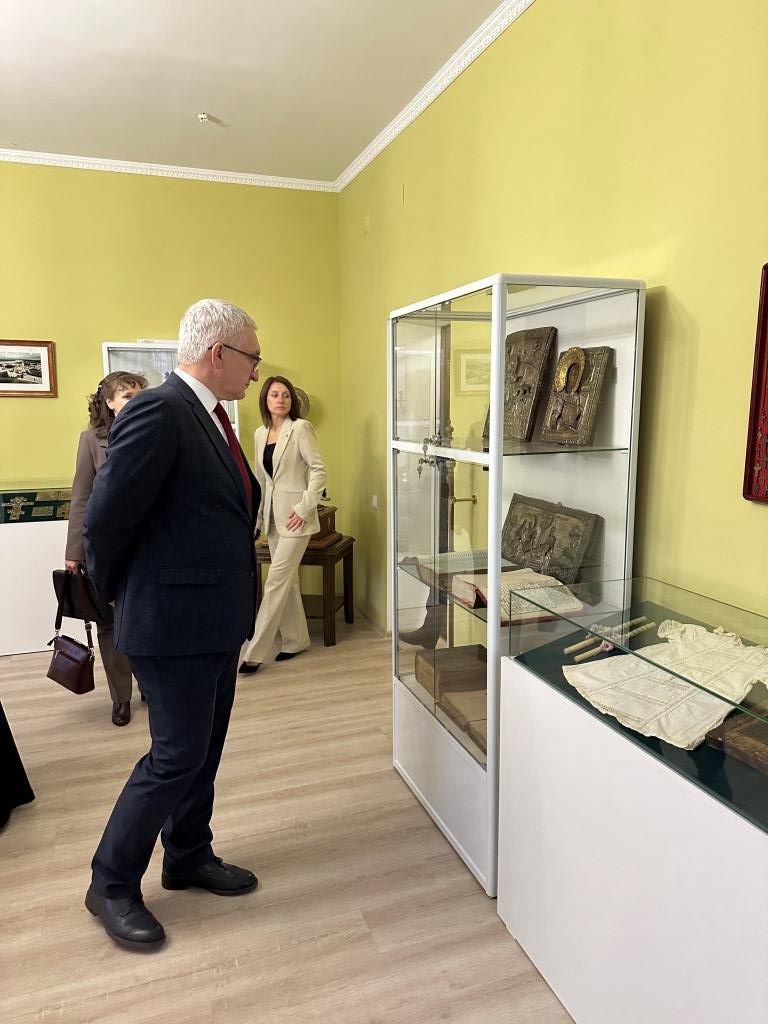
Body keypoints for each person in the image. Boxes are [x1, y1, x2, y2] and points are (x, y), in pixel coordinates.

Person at [82, 299, 262, 951]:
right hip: (171, 622)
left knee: (203, 749)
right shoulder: (160, 410)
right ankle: (109, 884)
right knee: (175, 756)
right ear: (219, 353)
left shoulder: (209, 416)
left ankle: (187, 854)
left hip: (215, 620)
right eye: (252, 357)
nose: (256, 370)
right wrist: (124, 597)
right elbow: (106, 520)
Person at [65, 371, 147, 726]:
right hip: (107, 549)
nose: (134, 401)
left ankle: (150, 685)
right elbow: (81, 498)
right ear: (109, 402)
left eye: (139, 394)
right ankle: (121, 698)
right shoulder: (91, 440)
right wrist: (75, 551)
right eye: (127, 395)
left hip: (148, 547)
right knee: (109, 626)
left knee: (146, 621)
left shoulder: (155, 432)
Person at [239, 376, 326, 674]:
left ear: (293, 401)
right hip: (273, 519)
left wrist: (305, 507)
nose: (281, 400)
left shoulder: (300, 428)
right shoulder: (259, 433)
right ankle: (296, 640)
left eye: (286, 395)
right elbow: (262, 480)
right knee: (288, 581)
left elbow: (319, 470)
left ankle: (255, 652)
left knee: (275, 580)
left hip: (296, 518)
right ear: (265, 399)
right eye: (275, 394)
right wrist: (258, 518)